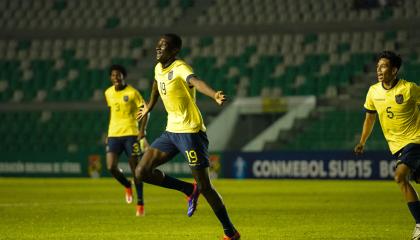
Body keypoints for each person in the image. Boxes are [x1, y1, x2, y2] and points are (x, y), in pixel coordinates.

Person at [135, 33, 240, 240]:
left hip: (191, 132)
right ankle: (187, 189)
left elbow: (196, 82)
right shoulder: (158, 68)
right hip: (171, 131)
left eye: (163, 46)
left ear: (174, 51)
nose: (158, 49)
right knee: (141, 171)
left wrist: (214, 95)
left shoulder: (181, 67)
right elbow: (157, 85)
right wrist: (149, 105)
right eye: (157, 45)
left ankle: (230, 231)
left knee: (205, 186)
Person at [354, 51, 420, 240]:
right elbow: (369, 118)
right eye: (378, 67)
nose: (379, 71)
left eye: (383, 67)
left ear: (394, 69)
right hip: (397, 146)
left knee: (399, 176)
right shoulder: (373, 91)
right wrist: (362, 141)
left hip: (415, 140)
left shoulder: (408, 89)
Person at [104, 64, 149, 216]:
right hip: (113, 134)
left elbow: (145, 110)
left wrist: (142, 131)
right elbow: (112, 113)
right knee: (111, 167)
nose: (115, 78)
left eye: (118, 75)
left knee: (136, 170)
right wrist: (108, 133)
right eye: (113, 75)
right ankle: (126, 184)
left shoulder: (132, 93)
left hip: (131, 134)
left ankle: (140, 203)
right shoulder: (108, 93)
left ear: (123, 76)